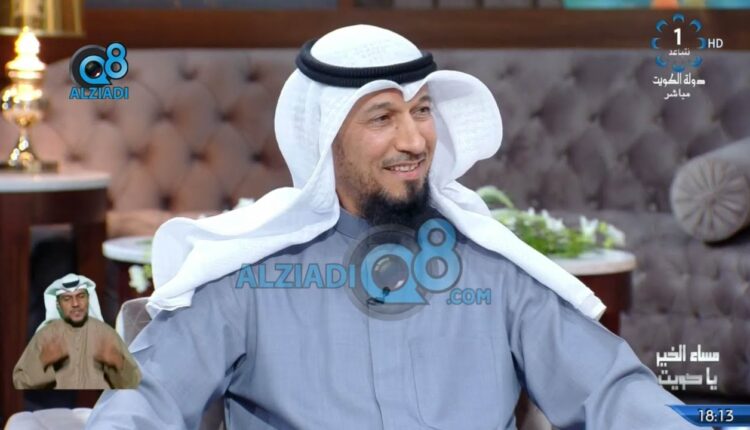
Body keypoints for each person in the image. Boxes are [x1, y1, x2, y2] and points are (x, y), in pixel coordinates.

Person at [86, 25, 698, 429]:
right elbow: (145, 399)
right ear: (326, 137)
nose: (414, 140)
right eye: (382, 117)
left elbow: (614, 391)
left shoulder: (493, 269)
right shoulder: (247, 274)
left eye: (422, 110)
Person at [13, 274, 141, 390]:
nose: (75, 304)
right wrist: (42, 361)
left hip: (98, 405)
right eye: (67, 299)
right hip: (52, 405)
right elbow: (20, 381)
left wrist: (118, 362)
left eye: (81, 296)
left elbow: (134, 384)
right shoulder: (45, 335)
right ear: (58, 305)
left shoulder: (106, 334)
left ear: (88, 299)